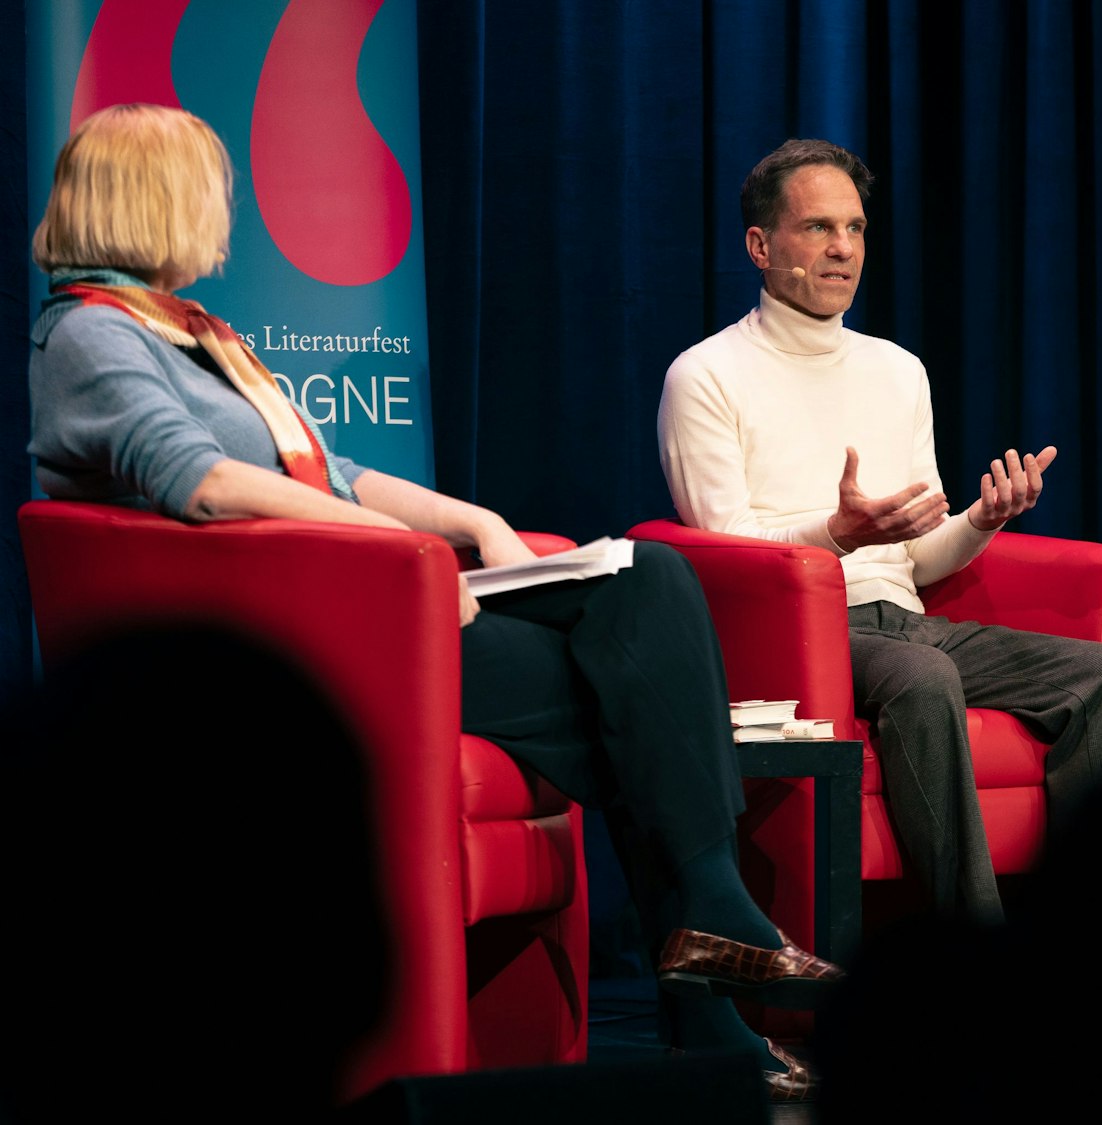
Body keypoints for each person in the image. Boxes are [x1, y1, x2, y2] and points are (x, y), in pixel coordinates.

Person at [26, 103, 833, 1103]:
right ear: (154, 204)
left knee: (643, 577)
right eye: (210, 190)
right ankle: (709, 975)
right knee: (630, 701)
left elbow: (336, 471)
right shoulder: (90, 337)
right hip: (299, 633)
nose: (224, 211)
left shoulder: (191, 334)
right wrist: (399, 550)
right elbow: (195, 481)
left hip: (359, 590)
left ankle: (707, 921)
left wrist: (473, 521)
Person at [658, 139, 1102, 924]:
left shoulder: (897, 369)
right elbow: (733, 551)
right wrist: (837, 533)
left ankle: (1080, 940)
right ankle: (976, 955)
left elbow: (920, 560)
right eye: (818, 227)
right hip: (803, 633)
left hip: (908, 622)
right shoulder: (707, 375)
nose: (843, 249)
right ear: (760, 245)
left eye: (855, 229)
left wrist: (982, 520)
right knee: (926, 681)